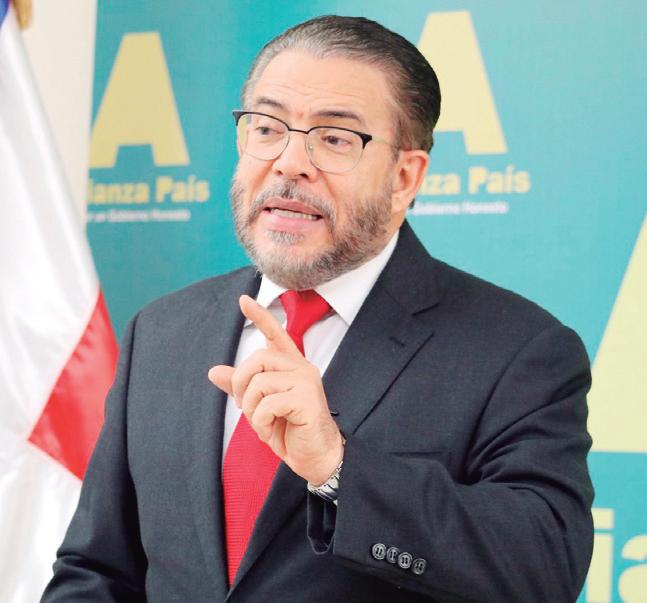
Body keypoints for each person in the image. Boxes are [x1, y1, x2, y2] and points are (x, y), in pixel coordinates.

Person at [42, 15, 593, 603]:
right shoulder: (163, 330)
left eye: (334, 139)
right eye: (267, 128)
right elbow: (96, 571)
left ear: (404, 177)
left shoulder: (517, 350)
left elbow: (543, 569)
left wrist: (338, 467)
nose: (288, 163)